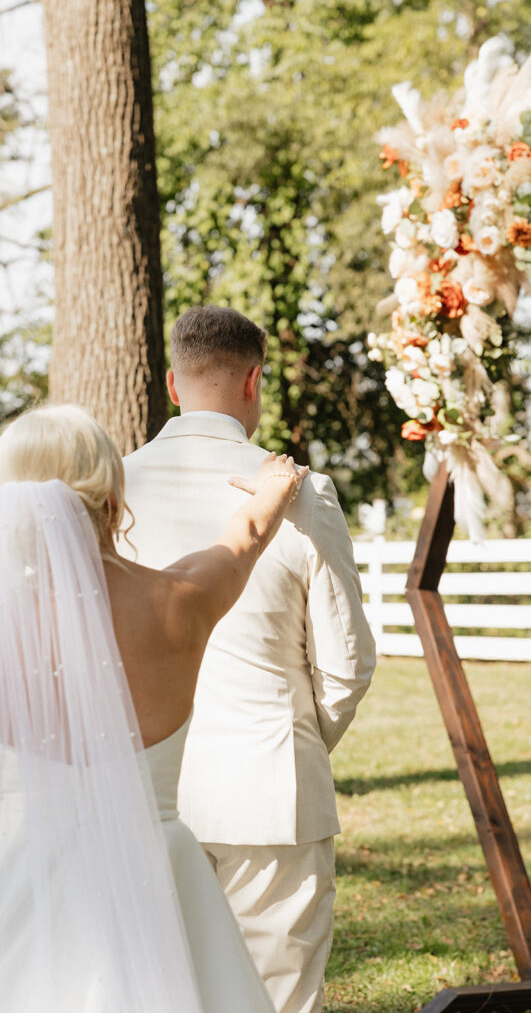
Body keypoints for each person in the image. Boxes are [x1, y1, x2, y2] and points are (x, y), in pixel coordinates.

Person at [0, 402, 307, 1013]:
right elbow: (244, 536)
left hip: (16, 881)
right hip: (157, 875)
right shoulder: (183, 601)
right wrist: (277, 485)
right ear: (114, 497)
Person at [121, 306, 377, 1013]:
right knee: (276, 999)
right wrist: (297, 740)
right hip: (270, 788)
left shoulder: (112, 486)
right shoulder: (302, 492)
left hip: (141, 789)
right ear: (253, 380)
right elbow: (346, 660)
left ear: (172, 383)